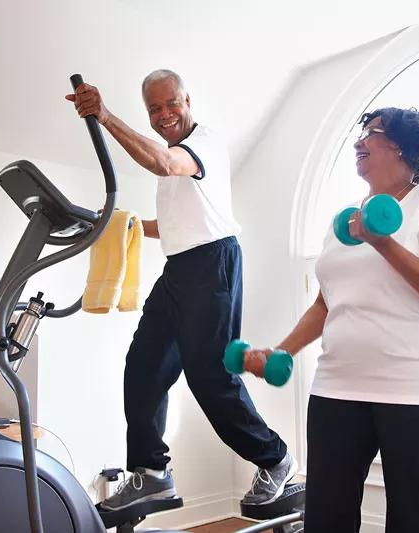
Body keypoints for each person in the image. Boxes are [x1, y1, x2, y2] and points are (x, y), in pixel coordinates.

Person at [66, 70, 296, 510]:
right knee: (144, 365)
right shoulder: (171, 160)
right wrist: (118, 224)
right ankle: (152, 472)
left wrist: (104, 115)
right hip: (180, 269)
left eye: (170, 103)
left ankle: (277, 459)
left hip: (213, 265)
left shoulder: (201, 144)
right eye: (154, 109)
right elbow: (172, 228)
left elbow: (165, 162)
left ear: (187, 100)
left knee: (210, 377)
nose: (164, 114)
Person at [243, 107, 419, 532]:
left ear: (402, 147)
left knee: (409, 515)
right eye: (361, 134)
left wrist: (383, 244)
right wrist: (281, 351)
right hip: (339, 383)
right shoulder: (345, 222)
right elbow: (326, 304)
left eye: (372, 133)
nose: (358, 142)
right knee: (326, 514)